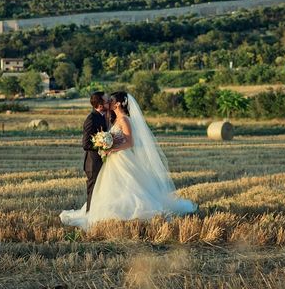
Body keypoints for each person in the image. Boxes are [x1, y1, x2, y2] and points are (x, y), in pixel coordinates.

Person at [60, 92, 196, 229]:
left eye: (111, 100)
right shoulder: (114, 119)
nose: (110, 102)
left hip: (121, 157)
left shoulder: (124, 120)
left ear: (118, 104)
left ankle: (130, 213)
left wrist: (112, 148)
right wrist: (106, 145)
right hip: (113, 158)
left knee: (128, 186)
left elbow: (130, 143)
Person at [82, 91, 109, 212]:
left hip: (103, 161)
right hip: (93, 163)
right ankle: (89, 217)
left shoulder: (106, 116)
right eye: (106, 100)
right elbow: (86, 144)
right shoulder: (91, 119)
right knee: (92, 191)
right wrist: (103, 145)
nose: (108, 101)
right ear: (100, 105)